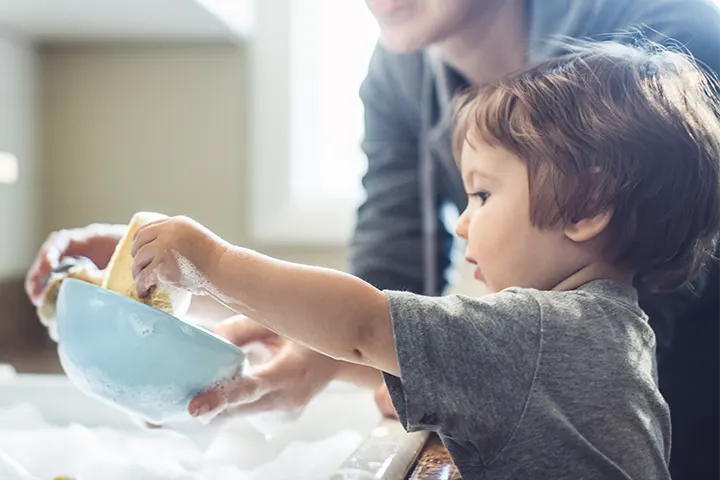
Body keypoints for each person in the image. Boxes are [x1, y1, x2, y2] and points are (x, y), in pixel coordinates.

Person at [24, 0, 720, 477]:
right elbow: (377, 311)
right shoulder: (603, 322)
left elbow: (362, 320)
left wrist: (213, 261)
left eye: (482, 193)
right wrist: (185, 286)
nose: (463, 219)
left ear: (592, 201)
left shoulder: (540, 333)